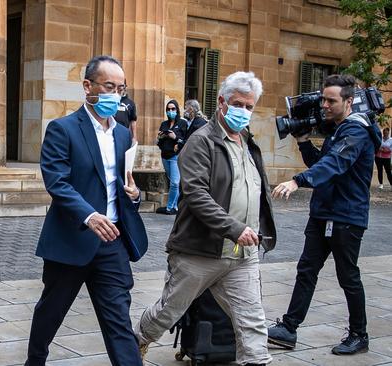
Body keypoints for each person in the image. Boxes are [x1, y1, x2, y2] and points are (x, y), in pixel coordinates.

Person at [135, 71, 276, 366]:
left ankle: (257, 361)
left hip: (241, 254)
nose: (244, 111)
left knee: (252, 322)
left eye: (250, 106)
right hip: (199, 251)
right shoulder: (201, 141)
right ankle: (137, 340)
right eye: (238, 104)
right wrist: (234, 227)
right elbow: (196, 195)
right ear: (222, 102)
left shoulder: (248, 142)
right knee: (168, 311)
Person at [25, 55, 148, 366]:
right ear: (88, 87)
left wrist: (133, 194)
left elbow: (120, 183)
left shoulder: (122, 134)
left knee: (119, 320)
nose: (115, 95)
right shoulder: (63, 129)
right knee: (51, 312)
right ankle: (34, 361)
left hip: (112, 242)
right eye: (109, 86)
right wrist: (89, 215)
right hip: (71, 240)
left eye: (120, 88)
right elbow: (57, 182)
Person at [268, 74, 382, 355]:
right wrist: (305, 141)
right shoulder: (339, 129)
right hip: (323, 212)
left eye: (331, 100)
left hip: (346, 217)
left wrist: (297, 181)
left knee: (348, 276)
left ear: (348, 100)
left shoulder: (356, 131)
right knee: (306, 270)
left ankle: (359, 335)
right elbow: (321, 162)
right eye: (323, 99)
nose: (324, 106)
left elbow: (335, 164)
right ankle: (289, 328)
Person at [155, 100, 186, 215]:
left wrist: (175, 137)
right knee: (172, 182)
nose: (170, 111)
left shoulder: (182, 123)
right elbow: (158, 143)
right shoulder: (164, 124)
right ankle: (175, 207)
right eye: (168, 109)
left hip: (175, 156)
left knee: (175, 183)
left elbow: (185, 140)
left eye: (173, 109)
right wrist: (160, 137)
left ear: (177, 110)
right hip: (165, 156)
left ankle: (169, 207)